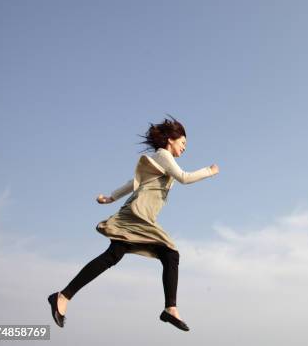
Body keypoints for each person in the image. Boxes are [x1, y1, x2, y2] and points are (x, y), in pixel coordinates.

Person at [47, 115, 219, 331]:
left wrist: (111, 197)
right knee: (170, 254)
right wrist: (209, 172)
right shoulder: (164, 155)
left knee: (116, 254)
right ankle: (170, 309)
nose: (185, 148)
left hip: (140, 215)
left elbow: (135, 182)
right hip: (138, 214)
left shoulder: (161, 159)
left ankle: (63, 296)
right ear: (170, 141)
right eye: (183, 143)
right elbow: (184, 177)